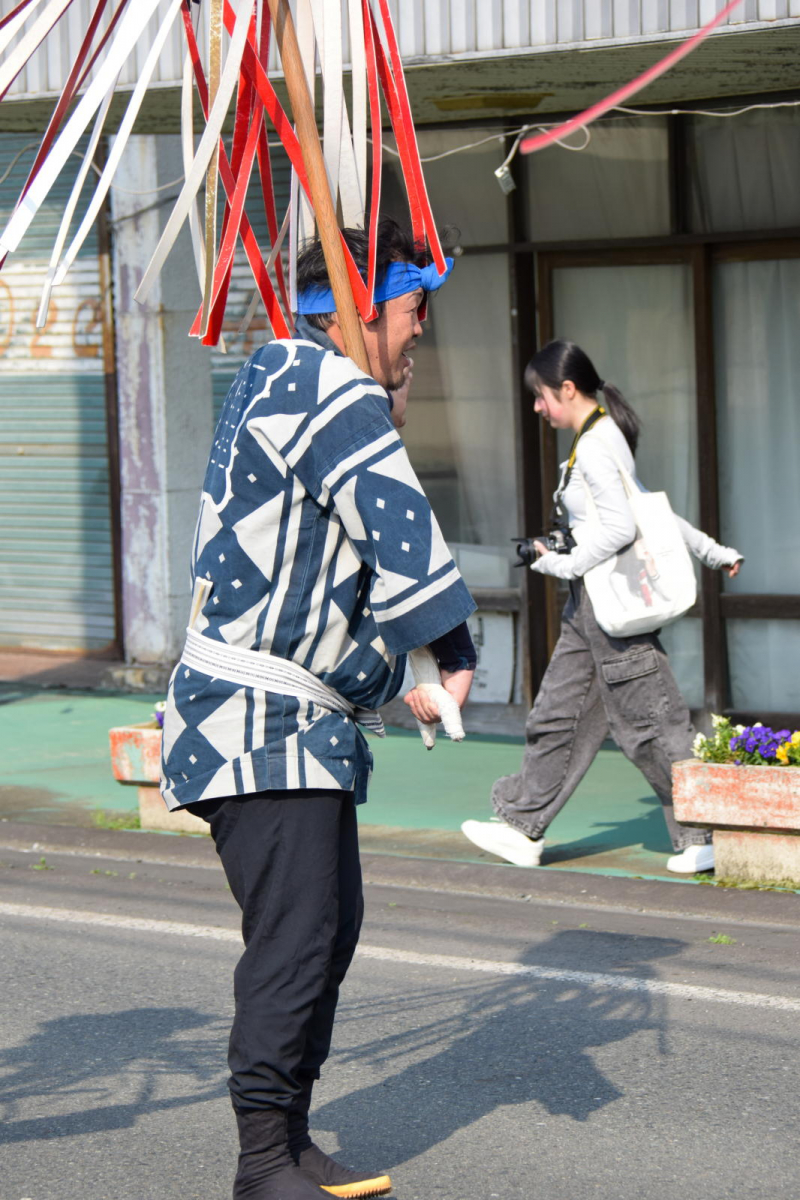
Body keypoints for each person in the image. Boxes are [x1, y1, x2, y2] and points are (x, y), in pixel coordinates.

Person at [160, 217, 477, 1200]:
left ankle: (289, 1142)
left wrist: (397, 681)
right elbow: (395, 525)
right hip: (254, 729)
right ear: (360, 307)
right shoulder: (317, 385)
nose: (421, 329)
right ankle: (262, 1163)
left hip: (282, 721)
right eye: (414, 308)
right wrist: (455, 644)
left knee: (325, 930)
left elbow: (328, 586)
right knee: (296, 939)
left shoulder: (288, 378)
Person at [461, 339, 743, 877]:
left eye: (541, 397)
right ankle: (523, 825)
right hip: (589, 607)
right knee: (558, 715)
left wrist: (558, 565)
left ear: (567, 389)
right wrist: (711, 550)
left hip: (608, 605)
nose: (539, 408)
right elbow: (649, 512)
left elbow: (621, 526)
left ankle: (701, 834)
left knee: (651, 725)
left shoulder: (595, 444)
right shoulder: (597, 437)